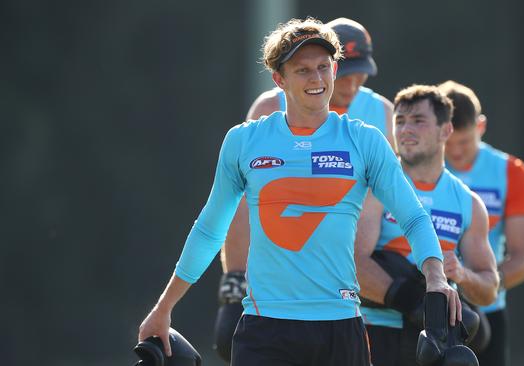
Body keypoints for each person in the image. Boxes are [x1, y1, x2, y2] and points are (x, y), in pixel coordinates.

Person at [137, 18, 460, 366]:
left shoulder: (365, 139)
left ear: (335, 69)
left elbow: (413, 217)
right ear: (279, 79)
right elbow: (210, 228)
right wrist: (164, 307)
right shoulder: (244, 140)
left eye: (323, 67)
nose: (317, 79)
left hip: (341, 325)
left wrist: (435, 277)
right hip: (265, 327)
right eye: (303, 70)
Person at [213, 17, 394, 362]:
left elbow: (394, 201)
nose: (353, 84)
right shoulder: (269, 109)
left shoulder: (382, 115)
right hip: (282, 293)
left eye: (360, 73)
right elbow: (243, 208)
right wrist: (234, 279)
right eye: (349, 73)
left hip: (358, 283)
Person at [355, 84, 499, 366]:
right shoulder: (374, 188)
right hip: (377, 332)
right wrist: (419, 303)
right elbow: (353, 264)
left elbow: (489, 287)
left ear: (446, 131)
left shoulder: (468, 202)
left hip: (433, 342)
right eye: (400, 121)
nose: (406, 129)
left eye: (418, 121)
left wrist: (463, 274)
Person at [439, 80, 524, 366]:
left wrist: (481, 287)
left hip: (487, 310)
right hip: (426, 308)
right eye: (448, 142)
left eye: (465, 141)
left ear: (480, 127)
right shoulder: (421, 167)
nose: (455, 152)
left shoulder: (511, 172)